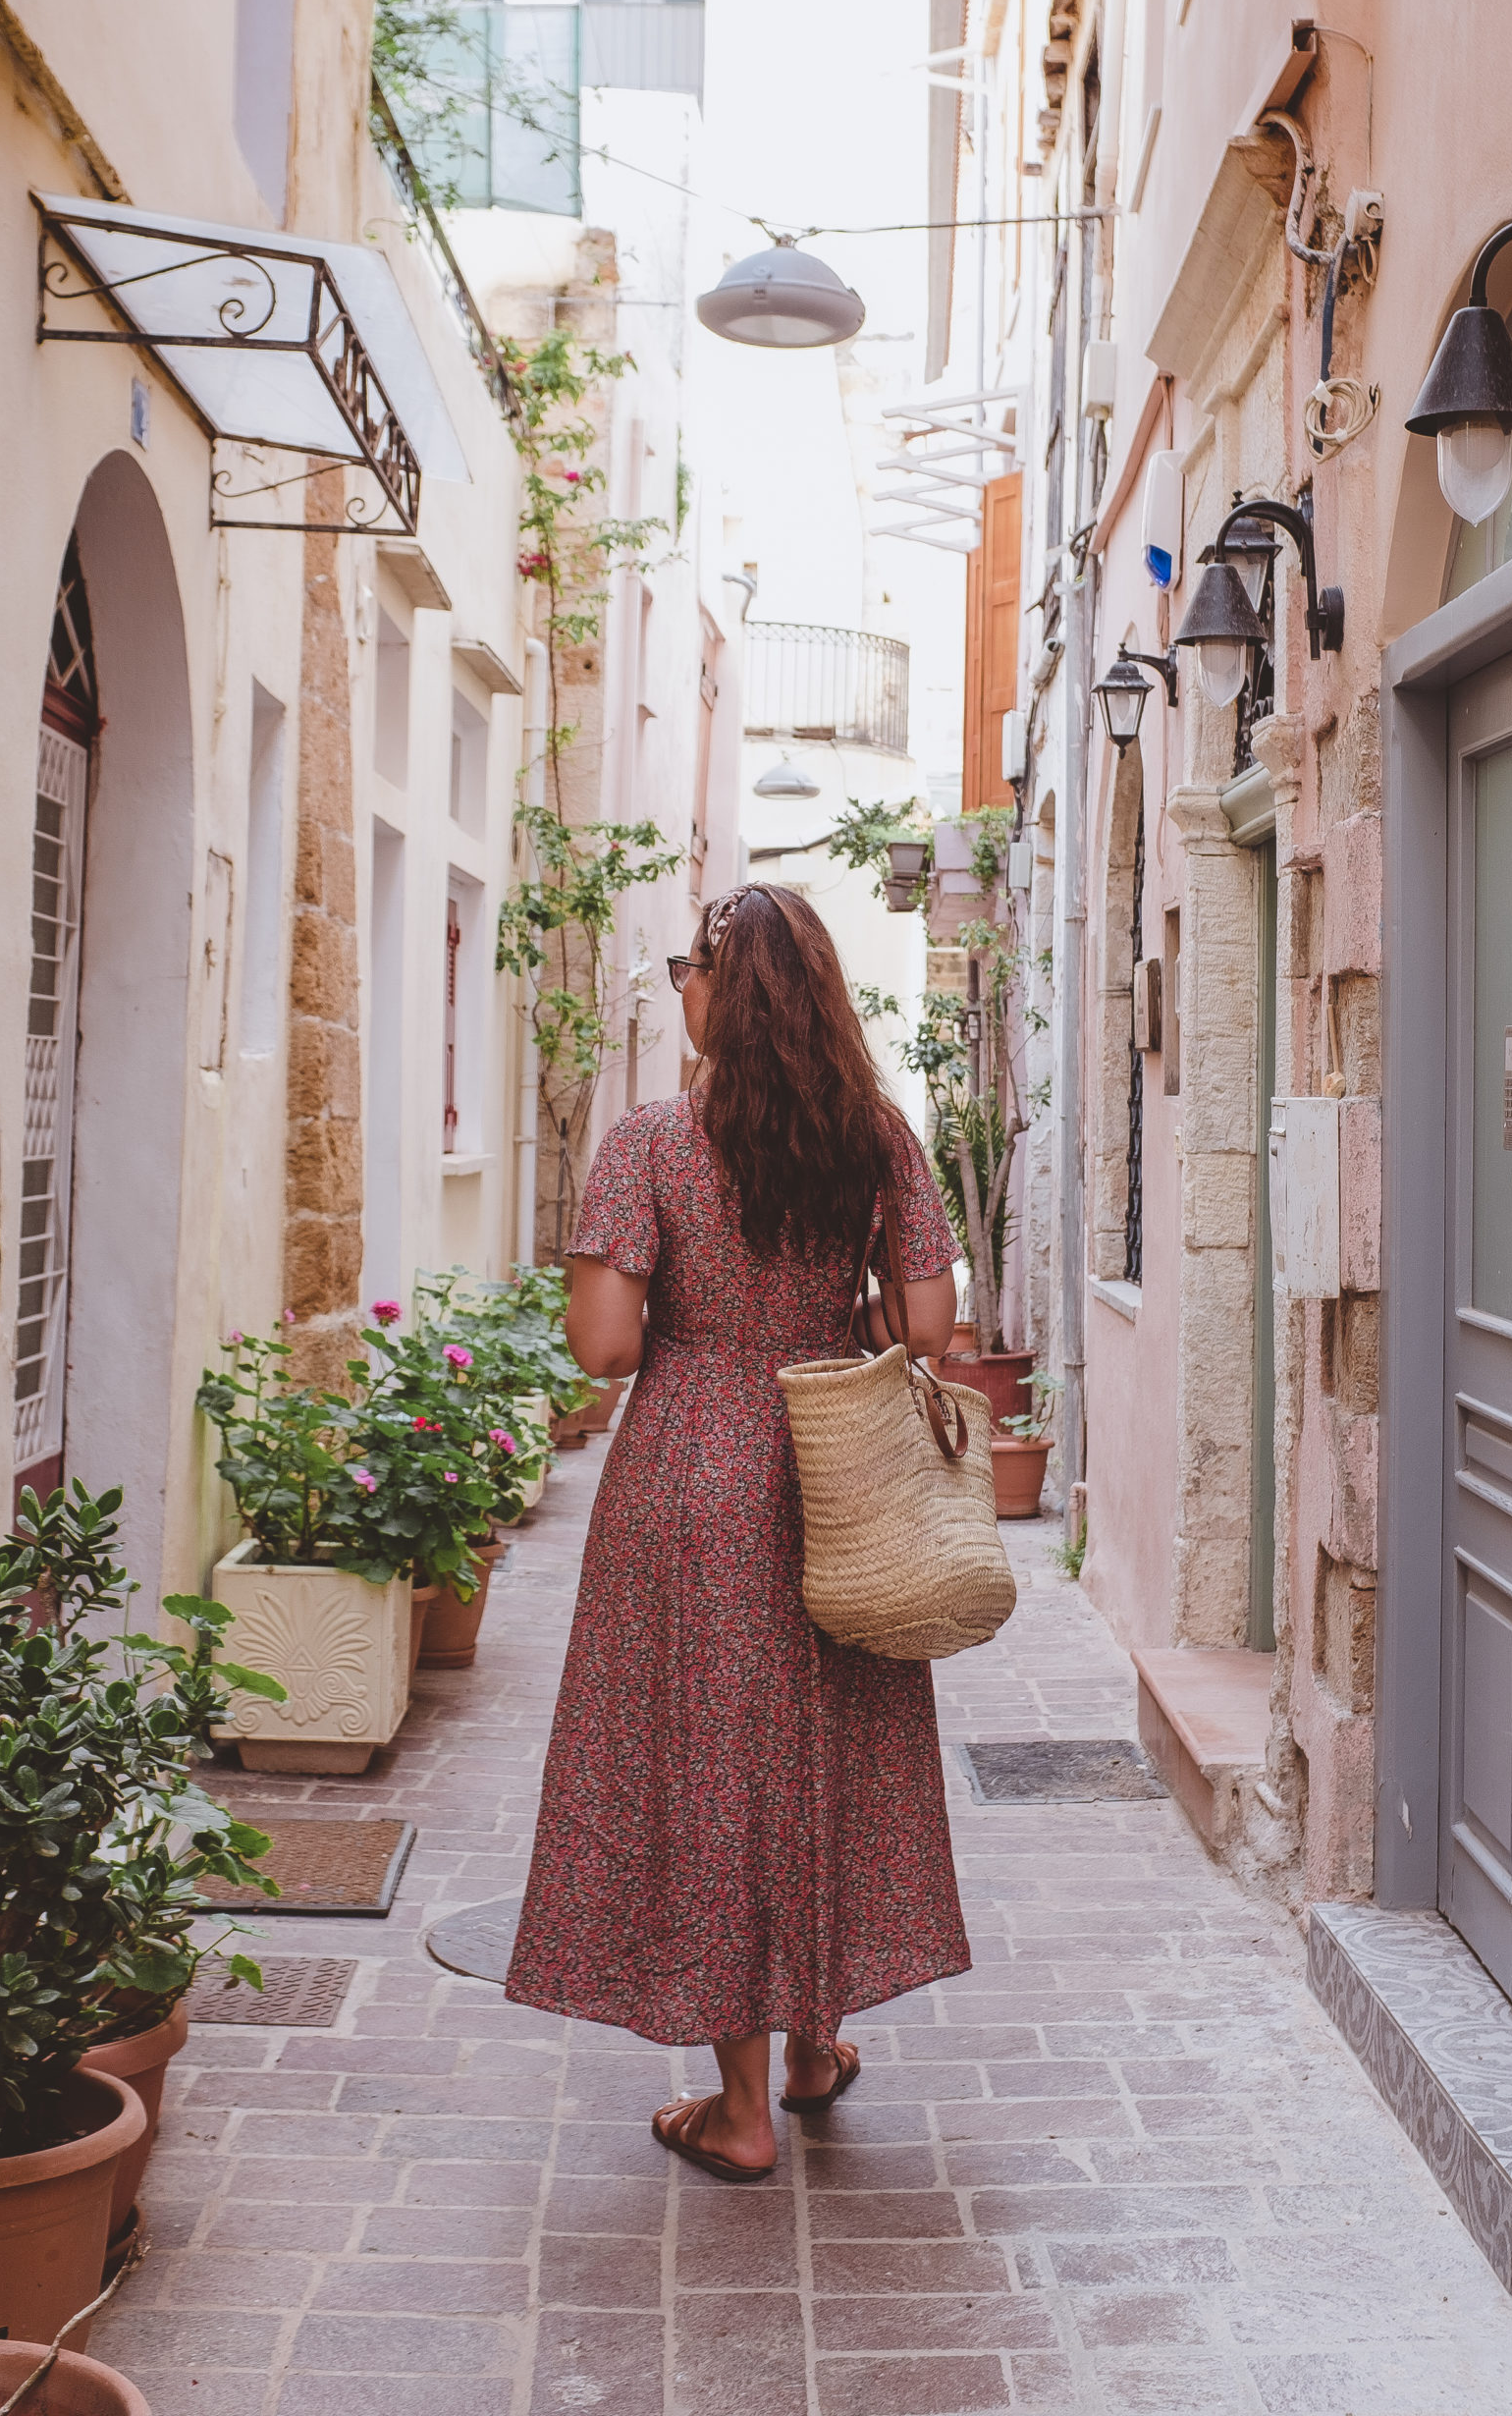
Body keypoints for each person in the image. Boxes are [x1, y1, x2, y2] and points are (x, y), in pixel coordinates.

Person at [504, 882, 969, 2179]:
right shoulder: (876, 1135)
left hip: (690, 1477)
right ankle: (816, 2046)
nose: (676, 989)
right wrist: (825, 1316)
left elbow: (601, 1347)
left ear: (721, 988)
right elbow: (929, 1326)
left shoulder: (651, 1142)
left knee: (712, 1761)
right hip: (837, 1469)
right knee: (825, 1744)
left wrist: (695, 1317)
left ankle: (744, 2108)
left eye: (681, 968)